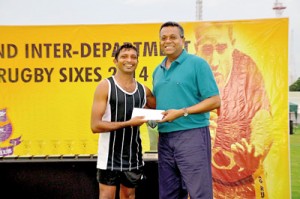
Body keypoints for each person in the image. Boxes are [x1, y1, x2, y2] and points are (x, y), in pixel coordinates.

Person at [194, 23, 273, 198]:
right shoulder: (189, 72)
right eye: (207, 49)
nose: (214, 61)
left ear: (232, 44)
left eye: (221, 48)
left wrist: (256, 149)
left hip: (245, 178)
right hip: (204, 178)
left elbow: (262, 114)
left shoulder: (246, 68)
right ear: (196, 48)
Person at [152, 21, 221, 199]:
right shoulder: (157, 71)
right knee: (169, 194)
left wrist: (182, 112)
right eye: (163, 38)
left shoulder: (197, 64)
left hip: (192, 135)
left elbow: (214, 100)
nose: (168, 41)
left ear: (183, 40)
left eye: (173, 37)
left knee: (199, 193)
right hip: (165, 138)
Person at [90, 43, 156, 199]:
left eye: (133, 57)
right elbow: (95, 125)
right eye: (124, 56)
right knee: (107, 196)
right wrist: (128, 123)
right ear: (115, 61)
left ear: (137, 61)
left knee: (129, 196)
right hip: (109, 156)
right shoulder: (105, 86)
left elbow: (157, 110)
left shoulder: (143, 90)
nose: (129, 60)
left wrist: (148, 114)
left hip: (133, 155)